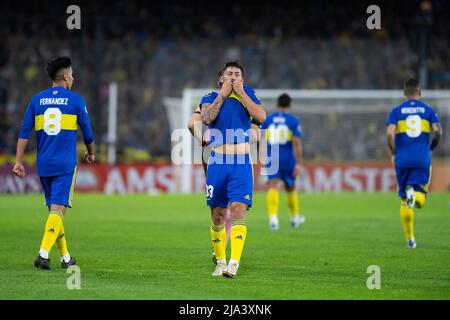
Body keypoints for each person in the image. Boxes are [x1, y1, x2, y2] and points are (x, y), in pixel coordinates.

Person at [13, 56, 95, 269]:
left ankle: (66, 258)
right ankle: (42, 253)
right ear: (66, 77)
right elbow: (88, 133)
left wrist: (19, 161)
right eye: (72, 74)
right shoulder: (76, 100)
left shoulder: (36, 100)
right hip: (65, 166)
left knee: (54, 213)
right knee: (58, 212)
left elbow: (24, 132)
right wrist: (91, 152)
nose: (73, 77)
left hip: (44, 165)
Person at [200, 61, 265, 278]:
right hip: (218, 161)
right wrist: (224, 95)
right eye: (229, 74)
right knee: (217, 215)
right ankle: (220, 262)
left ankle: (234, 263)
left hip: (241, 162)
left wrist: (241, 93)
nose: (233, 77)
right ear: (221, 79)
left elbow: (261, 117)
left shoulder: (249, 95)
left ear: (243, 80)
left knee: (238, 209)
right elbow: (206, 118)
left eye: (237, 74)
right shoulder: (210, 97)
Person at [386, 78, 442, 248]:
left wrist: (394, 152)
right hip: (421, 159)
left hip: (402, 160)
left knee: (404, 200)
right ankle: (415, 196)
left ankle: (410, 239)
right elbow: (438, 132)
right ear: (420, 92)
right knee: (421, 198)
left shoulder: (396, 111)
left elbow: (389, 134)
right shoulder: (428, 110)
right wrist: (430, 148)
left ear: (405, 93)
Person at [260, 93, 305, 230]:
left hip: (272, 158)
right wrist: (299, 163)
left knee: (273, 186)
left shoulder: (267, 119)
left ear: (277, 104)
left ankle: (273, 220)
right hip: (288, 158)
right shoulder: (293, 121)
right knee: (290, 187)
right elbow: (296, 143)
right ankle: (294, 217)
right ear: (289, 105)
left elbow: (261, 141)